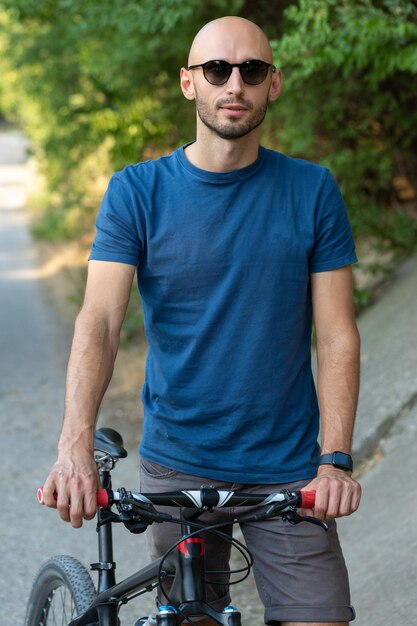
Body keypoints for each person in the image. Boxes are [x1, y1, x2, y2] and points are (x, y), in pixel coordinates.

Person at [43, 15, 361, 626]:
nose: (234, 84)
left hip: (290, 468)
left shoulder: (312, 190)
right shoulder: (137, 192)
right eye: (217, 69)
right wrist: (73, 445)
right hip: (179, 462)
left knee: (321, 617)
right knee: (190, 618)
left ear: (274, 84)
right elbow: (101, 322)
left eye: (252, 70)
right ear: (190, 83)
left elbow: (337, 334)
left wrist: (335, 459)